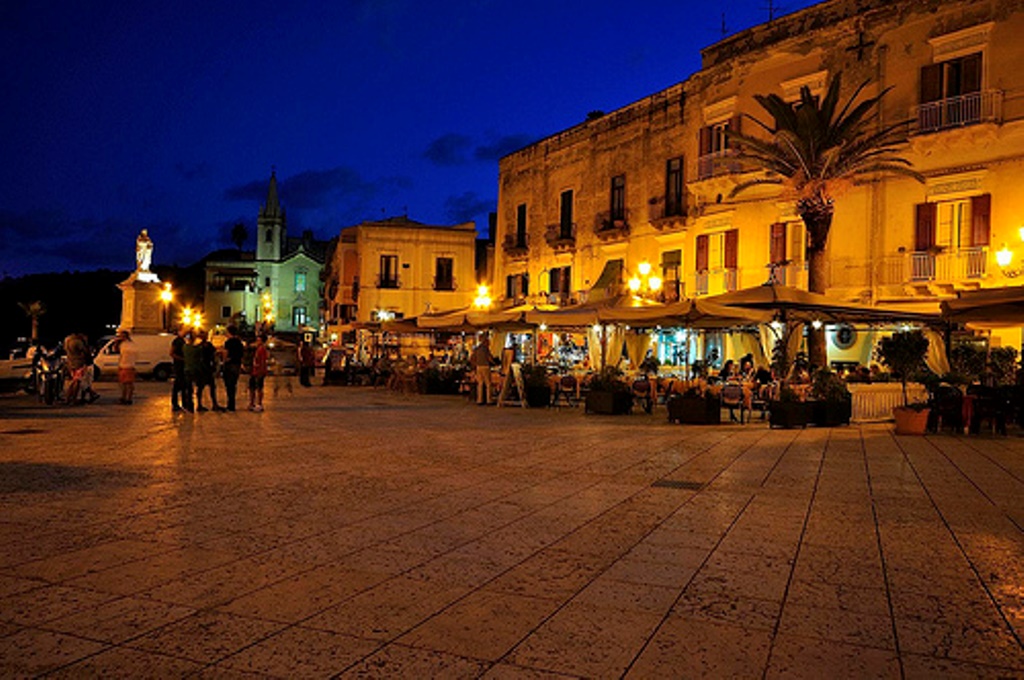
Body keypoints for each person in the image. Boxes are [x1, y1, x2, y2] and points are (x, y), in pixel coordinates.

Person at [196, 330, 223, 412]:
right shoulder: (205, 346)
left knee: (203, 387)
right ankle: (212, 404)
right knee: (208, 387)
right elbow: (214, 354)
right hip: (206, 368)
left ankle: (201, 404)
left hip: (203, 368)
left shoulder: (199, 346)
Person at [221, 325, 244, 411]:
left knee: (228, 385)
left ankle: (230, 404)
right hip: (237, 365)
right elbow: (241, 355)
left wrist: (224, 361)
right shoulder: (239, 343)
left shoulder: (228, 342)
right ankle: (232, 403)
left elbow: (225, 353)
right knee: (233, 385)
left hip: (229, 365)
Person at [470, 335, 495, 405]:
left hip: (478, 367)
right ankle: (489, 400)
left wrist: (475, 365)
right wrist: (494, 362)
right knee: (488, 384)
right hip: (485, 366)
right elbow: (489, 358)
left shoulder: (477, 349)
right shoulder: (485, 349)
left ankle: (479, 400)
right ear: (485, 342)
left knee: (480, 383)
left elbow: (472, 358)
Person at [170, 326, 190, 412]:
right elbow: (172, 353)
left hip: (183, 365)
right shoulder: (177, 341)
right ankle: (175, 404)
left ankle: (184, 403)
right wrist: (182, 359)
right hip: (179, 365)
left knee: (183, 385)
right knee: (178, 385)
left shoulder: (184, 340)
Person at [182, 331, 202, 412]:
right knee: (198, 386)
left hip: (187, 369)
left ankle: (190, 405)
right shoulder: (197, 349)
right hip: (196, 369)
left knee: (188, 388)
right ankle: (199, 403)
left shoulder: (184, 347)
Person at [248, 334, 269, 412]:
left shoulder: (262, 349)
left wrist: (261, 371)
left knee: (259, 387)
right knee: (252, 387)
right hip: (255, 371)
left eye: (258, 340)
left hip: (259, 371)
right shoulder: (258, 349)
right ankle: (252, 403)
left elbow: (263, 361)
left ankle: (259, 403)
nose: (257, 341)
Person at [117, 329, 138, 404]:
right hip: (125, 365)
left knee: (128, 383)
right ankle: (125, 397)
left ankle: (128, 398)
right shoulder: (126, 344)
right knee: (125, 383)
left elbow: (124, 355)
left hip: (127, 365)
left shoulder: (127, 345)